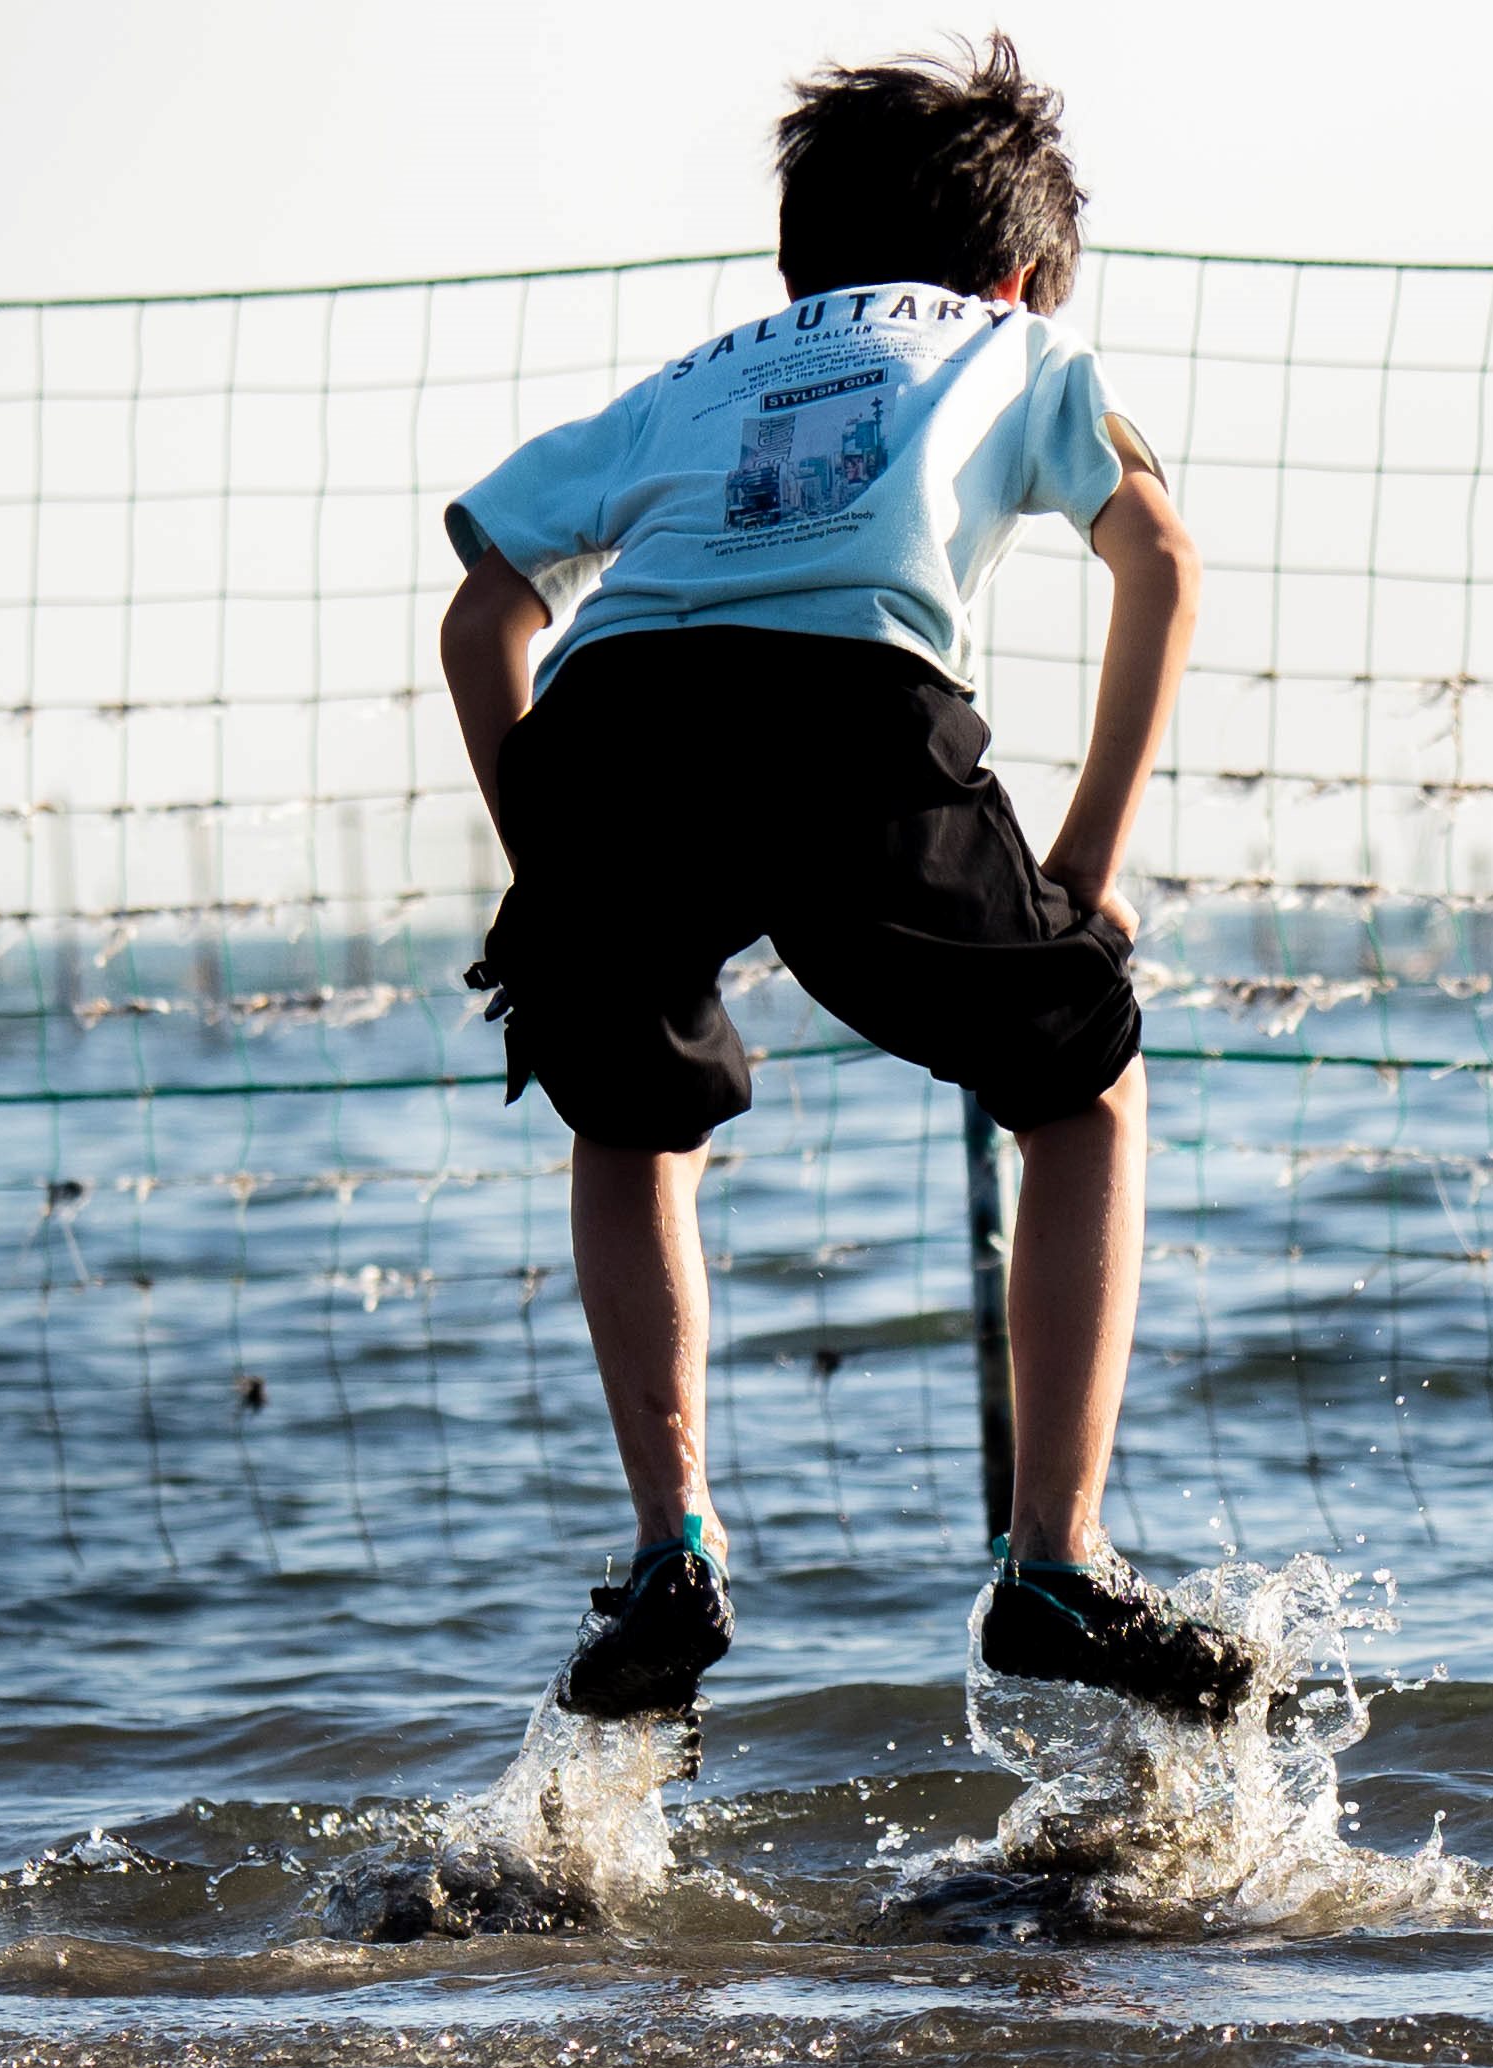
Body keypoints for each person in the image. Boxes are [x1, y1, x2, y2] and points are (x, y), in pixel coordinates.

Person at [439, 35, 1255, 1728]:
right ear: (1017, 268)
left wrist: (554, 869)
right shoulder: (1021, 345)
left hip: (608, 724)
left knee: (627, 1113)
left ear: (794, 266)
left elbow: (482, 609)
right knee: (1083, 1090)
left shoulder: (693, 374)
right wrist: (1087, 866)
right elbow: (1159, 558)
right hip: (845, 717)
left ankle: (671, 1548)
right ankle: (1055, 1561)